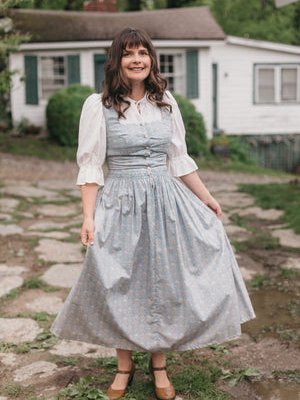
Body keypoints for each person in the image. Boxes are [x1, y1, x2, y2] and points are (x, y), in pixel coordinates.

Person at [51, 28, 255, 400]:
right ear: (117, 61)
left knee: (161, 280)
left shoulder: (166, 103)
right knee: (119, 282)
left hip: (166, 201)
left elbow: (179, 158)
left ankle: (158, 365)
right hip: (120, 202)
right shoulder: (98, 106)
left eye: (143, 52)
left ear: (151, 59)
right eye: (129, 53)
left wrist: (206, 197)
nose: (137, 60)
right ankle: (124, 366)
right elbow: (92, 167)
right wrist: (88, 216)